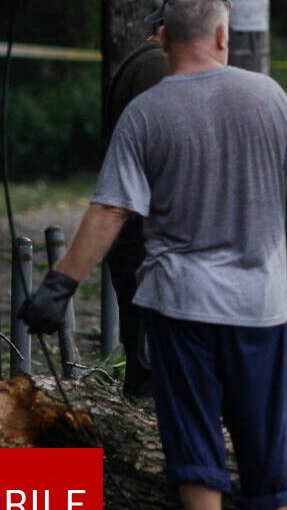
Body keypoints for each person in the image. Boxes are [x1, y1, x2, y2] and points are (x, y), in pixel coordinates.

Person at [21, 0, 287, 510]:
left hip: (181, 308)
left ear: (161, 40)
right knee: (265, 457)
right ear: (222, 36)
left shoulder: (145, 114)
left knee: (195, 454)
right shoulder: (269, 98)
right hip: (258, 310)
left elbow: (111, 210)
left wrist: (60, 284)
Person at [101, 26, 170, 399]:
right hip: (149, 233)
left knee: (146, 356)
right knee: (152, 368)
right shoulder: (159, 69)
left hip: (138, 229)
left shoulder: (145, 60)